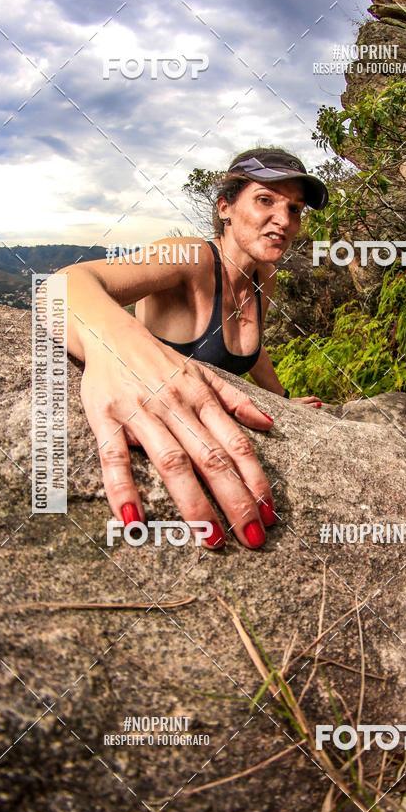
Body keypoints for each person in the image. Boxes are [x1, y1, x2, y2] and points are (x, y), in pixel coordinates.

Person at [58, 147, 329, 553]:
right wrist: (116, 343)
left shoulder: (263, 277)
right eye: (265, 200)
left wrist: (283, 402)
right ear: (225, 207)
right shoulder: (190, 257)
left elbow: (251, 348)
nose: (284, 220)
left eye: (295, 208)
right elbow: (64, 285)